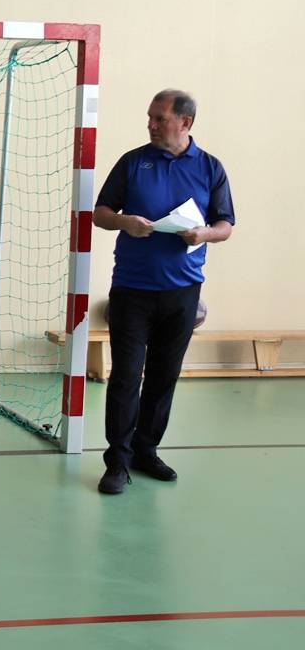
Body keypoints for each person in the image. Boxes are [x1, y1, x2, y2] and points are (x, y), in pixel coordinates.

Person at [93, 89, 234, 494]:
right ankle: (117, 462)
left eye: (160, 119)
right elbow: (101, 213)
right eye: (150, 117)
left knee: (163, 376)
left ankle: (146, 451)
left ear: (185, 123)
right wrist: (126, 222)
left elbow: (225, 225)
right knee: (125, 377)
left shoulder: (210, 167)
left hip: (183, 292)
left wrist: (204, 234)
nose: (151, 125)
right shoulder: (133, 162)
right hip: (132, 290)